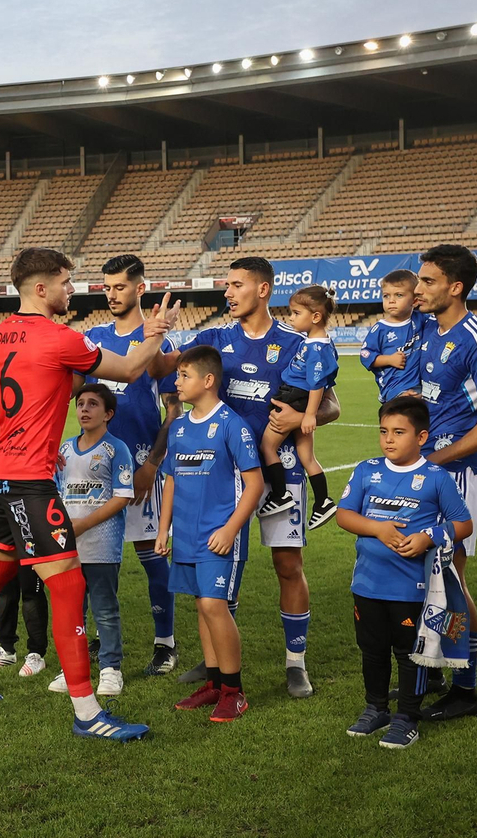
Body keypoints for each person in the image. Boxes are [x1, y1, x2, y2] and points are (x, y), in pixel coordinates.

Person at [0, 246, 177, 743]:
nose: (73, 289)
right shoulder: (61, 337)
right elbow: (131, 369)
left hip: (0, 477)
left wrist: (12, 436)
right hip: (29, 482)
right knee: (68, 586)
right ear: (42, 288)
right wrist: (155, 332)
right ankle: (88, 713)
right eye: (66, 282)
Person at [161, 256, 339, 698]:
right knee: (218, 564)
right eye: (227, 285)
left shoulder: (297, 343)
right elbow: (162, 370)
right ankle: (216, 662)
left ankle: (295, 662)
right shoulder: (213, 338)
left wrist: (302, 417)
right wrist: (154, 335)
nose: (228, 292)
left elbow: (331, 406)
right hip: (224, 475)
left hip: (282, 471)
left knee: (288, 564)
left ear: (263, 290)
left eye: (236, 284)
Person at [335, 395, 472, 750]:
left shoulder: (436, 478)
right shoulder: (366, 470)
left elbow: (463, 523)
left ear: (421, 437)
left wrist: (429, 536)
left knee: (410, 653)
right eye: (384, 431)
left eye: (399, 432)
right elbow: (344, 515)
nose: (389, 439)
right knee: (372, 649)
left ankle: (407, 718)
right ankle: (376, 708)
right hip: (367, 582)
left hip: (411, 587)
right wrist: (378, 529)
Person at [414, 243, 477, 720]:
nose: (418, 288)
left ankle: (466, 687)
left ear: (455, 287)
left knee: (451, 578)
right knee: (423, 576)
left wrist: (436, 458)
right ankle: (433, 665)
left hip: (455, 473)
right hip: (427, 465)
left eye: (428, 281)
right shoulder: (430, 328)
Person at [80, 255, 183, 676]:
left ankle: (165, 644)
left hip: (141, 465)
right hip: (95, 469)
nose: (111, 294)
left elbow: (174, 411)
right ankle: (100, 636)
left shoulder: (159, 342)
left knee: (151, 556)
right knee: (94, 561)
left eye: (119, 287)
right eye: (106, 287)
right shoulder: (93, 338)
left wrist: (152, 465)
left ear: (140, 289)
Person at [158, 347, 263, 722]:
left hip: (219, 536)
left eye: (184, 375)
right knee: (202, 606)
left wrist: (231, 529)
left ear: (208, 380)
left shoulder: (233, 425)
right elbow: (171, 480)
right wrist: (164, 529)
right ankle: (214, 684)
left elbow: (254, 484)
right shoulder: (179, 427)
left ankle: (234, 692)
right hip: (186, 536)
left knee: (214, 605)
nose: (176, 382)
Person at [48, 384, 134, 696]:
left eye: (93, 404)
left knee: (104, 609)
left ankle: (111, 669)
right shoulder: (65, 450)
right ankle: (73, 667)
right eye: (81, 403)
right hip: (68, 545)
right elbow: (55, 491)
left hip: (101, 545)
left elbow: (122, 496)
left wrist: (83, 524)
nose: (84, 409)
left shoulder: (116, 449)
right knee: (72, 610)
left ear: (108, 414)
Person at [257, 285, 340, 531]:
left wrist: (309, 415)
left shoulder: (316, 348)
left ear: (315, 317)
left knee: (267, 446)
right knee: (307, 457)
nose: (290, 318)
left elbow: (317, 384)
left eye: (296, 313)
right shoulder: (318, 342)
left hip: (295, 397)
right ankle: (323, 502)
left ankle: (280, 494)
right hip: (300, 397)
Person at [360, 269, 433, 402]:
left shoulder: (421, 319)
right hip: (394, 388)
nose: (391, 301)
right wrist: (389, 359)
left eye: (399, 295)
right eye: (386, 296)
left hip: (422, 386)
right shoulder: (380, 329)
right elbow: (365, 355)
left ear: (415, 301)